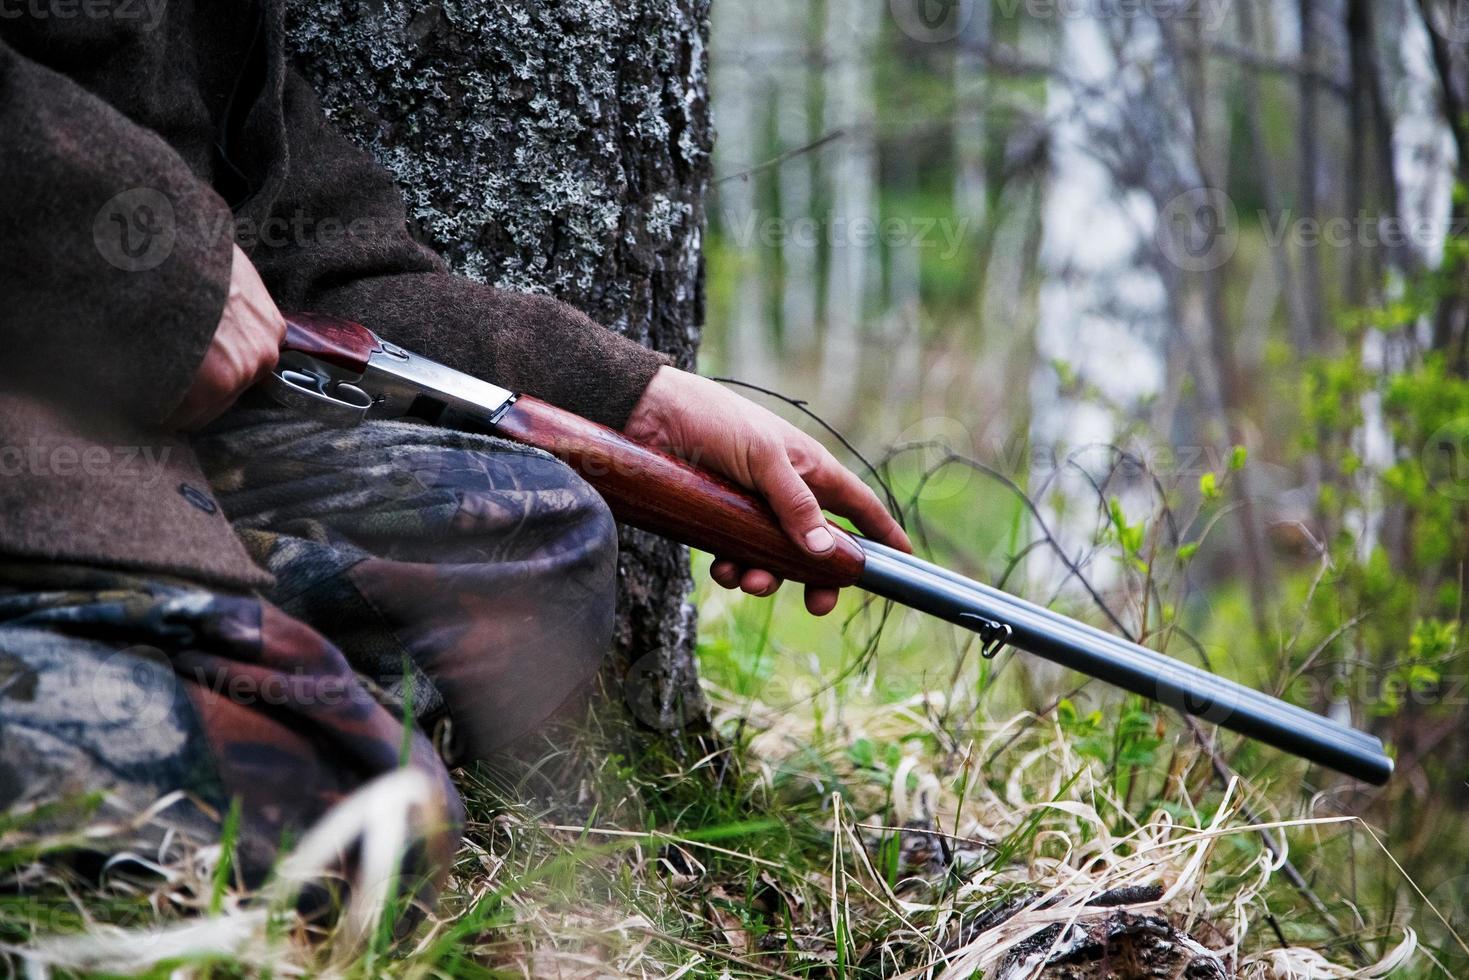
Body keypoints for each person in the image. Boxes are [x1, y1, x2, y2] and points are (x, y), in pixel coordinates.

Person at [0, 0, 910, 901]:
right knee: (360, 821)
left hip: (136, 442)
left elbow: (316, 256)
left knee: (532, 532)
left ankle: (192, 682)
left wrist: (638, 400)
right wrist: (167, 273)